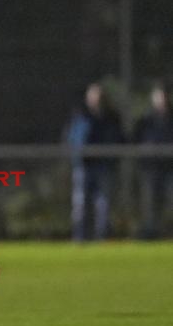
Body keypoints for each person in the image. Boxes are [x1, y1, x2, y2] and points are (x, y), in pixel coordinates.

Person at [63, 82, 124, 241]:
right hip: (84, 166)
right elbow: (72, 140)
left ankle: (102, 236)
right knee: (80, 204)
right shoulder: (80, 117)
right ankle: (79, 237)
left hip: (103, 166)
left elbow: (117, 139)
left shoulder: (111, 118)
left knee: (103, 204)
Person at [133, 83, 173, 239]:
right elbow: (135, 139)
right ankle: (151, 231)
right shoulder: (146, 120)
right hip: (151, 168)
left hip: (170, 167)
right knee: (150, 202)